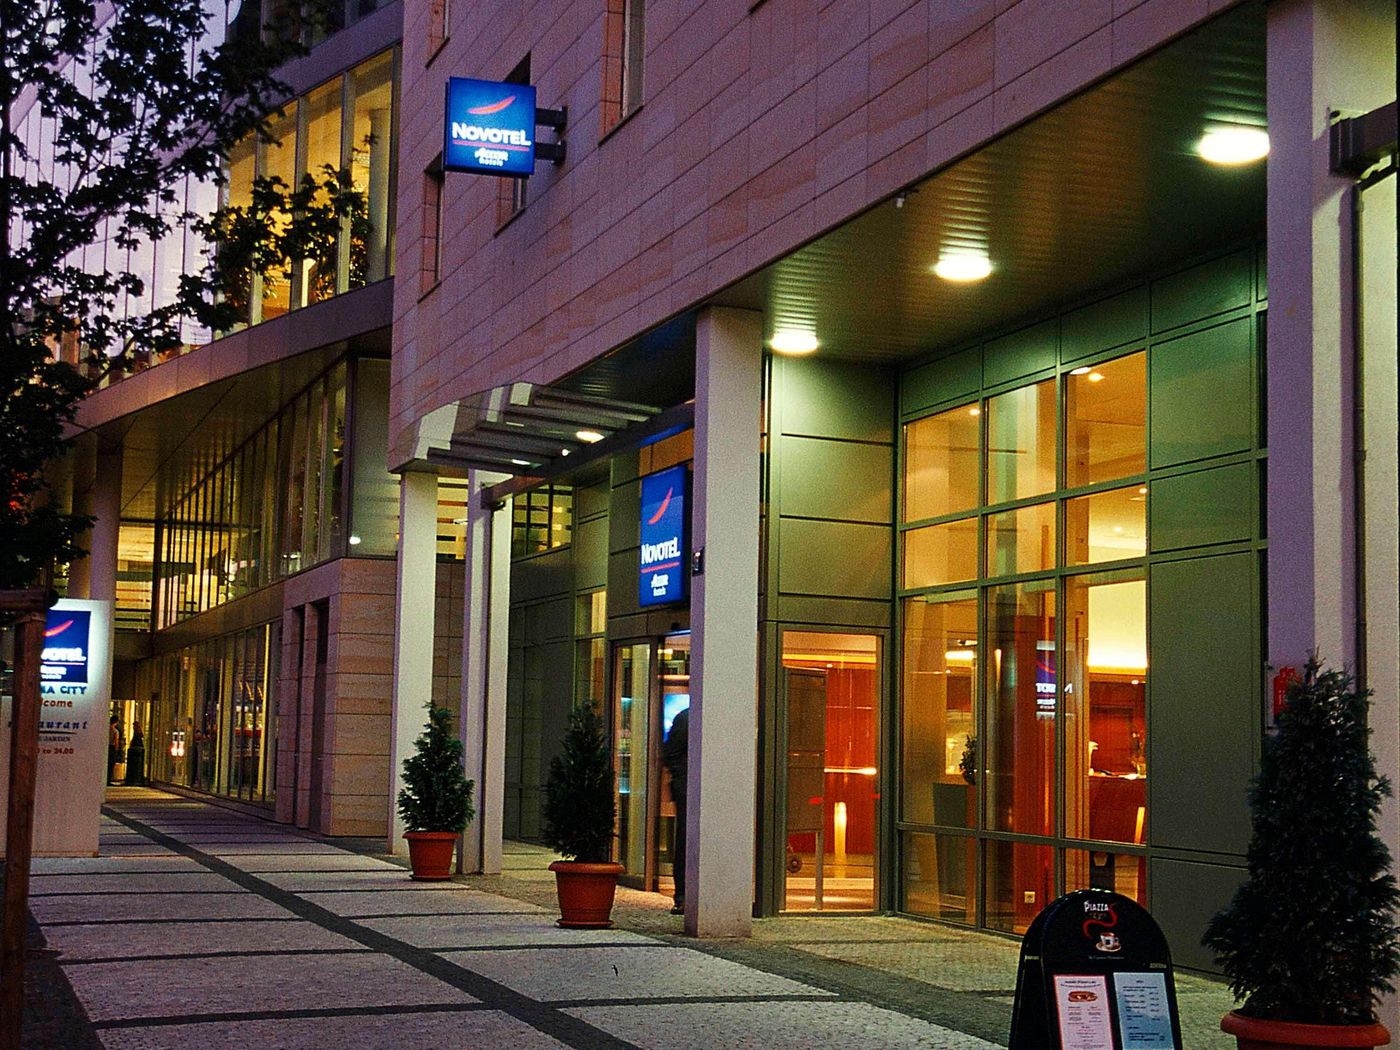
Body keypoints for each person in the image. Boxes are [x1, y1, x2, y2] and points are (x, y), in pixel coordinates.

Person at [660, 705, 689, 916]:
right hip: (688, 786)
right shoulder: (687, 718)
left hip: (685, 785)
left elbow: (669, 754)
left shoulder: (684, 717)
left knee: (685, 840)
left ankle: (682, 897)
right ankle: (682, 896)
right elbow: (670, 754)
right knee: (685, 840)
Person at [124, 722, 146, 786]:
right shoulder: (138, 733)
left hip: (136, 750)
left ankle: (134, 780)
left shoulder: (137, 733)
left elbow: (136, 741)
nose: (133, 727)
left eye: (134, 726)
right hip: (137, 750)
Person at [107, 716, 123, 785]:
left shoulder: (106, 729)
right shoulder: (115, 731)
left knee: (106, 764)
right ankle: (108, 780)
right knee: (111, 765)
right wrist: (117, 750)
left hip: (106, 747)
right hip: (112, 748)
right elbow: (116, 741)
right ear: (116, 722)